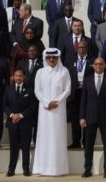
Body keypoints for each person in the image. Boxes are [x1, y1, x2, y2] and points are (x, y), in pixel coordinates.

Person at [33, 48, 72, 176]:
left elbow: (67, 90)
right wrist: (46, 102)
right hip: (44, 110)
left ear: (57, 58)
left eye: (54, 58)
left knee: (57, 137)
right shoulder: (40, 72)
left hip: (59, 110)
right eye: (49, 57)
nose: (51, 60)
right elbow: (37, 90)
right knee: (44, 137)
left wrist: (57, 101)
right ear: (45, 58)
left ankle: (57, 169)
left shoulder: (64, 71)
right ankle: (42, 168)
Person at [80, 57, 106, 178]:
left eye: (101, 64)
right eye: (96, 64)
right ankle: (87, 169)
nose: (99, 66)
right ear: (93, 65)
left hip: (105, 118)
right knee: (88, 145)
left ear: (105, 65)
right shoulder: (87, 80)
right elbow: (83, 101)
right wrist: (82, 117)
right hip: (90, 117)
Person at [3, 69, 35, 177]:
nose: (18, 78)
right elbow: (5, 105)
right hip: (12, 123)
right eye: (16, 76)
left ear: (24, 77)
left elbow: (32, 106)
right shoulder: (8, 89)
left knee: (26, 148)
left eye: (20, 76)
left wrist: (21, 116)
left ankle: (26, 169)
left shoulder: (30, 90)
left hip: (25, 123)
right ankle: (11, 169)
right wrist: (12, 115)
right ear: (13, 77)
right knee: (13, 148)